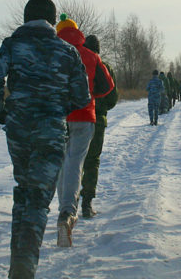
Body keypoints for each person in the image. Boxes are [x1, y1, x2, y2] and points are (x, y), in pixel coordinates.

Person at [0, 0, 91, 278]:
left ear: (25, 18)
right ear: (53, 21)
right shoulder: (67, 51)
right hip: (51, 131)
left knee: (23, 192)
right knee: (38, 199)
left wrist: (1, 110)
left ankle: (17, 266)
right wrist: (59, 108)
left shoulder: (12, 45)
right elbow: (82, 97)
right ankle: (24, 269)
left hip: (18, 129)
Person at [55, 15, 115, 247]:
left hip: (57, 117)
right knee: (75, 163)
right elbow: (107, 86)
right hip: (84, 116)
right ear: (77, 31)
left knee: (62, 163)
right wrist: (91, 96)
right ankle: (67, 213)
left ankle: (63, 210)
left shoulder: (51, 53)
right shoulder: (91, 55)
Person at [80, 35, 119, 218]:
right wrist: (101, 109)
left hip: (76, 120)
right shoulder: (105, 67)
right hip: (97, 121)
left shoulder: (77, 63)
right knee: (92, 161)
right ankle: (87, 202)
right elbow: (112, 98)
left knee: (74, 160)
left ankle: (69, 203)